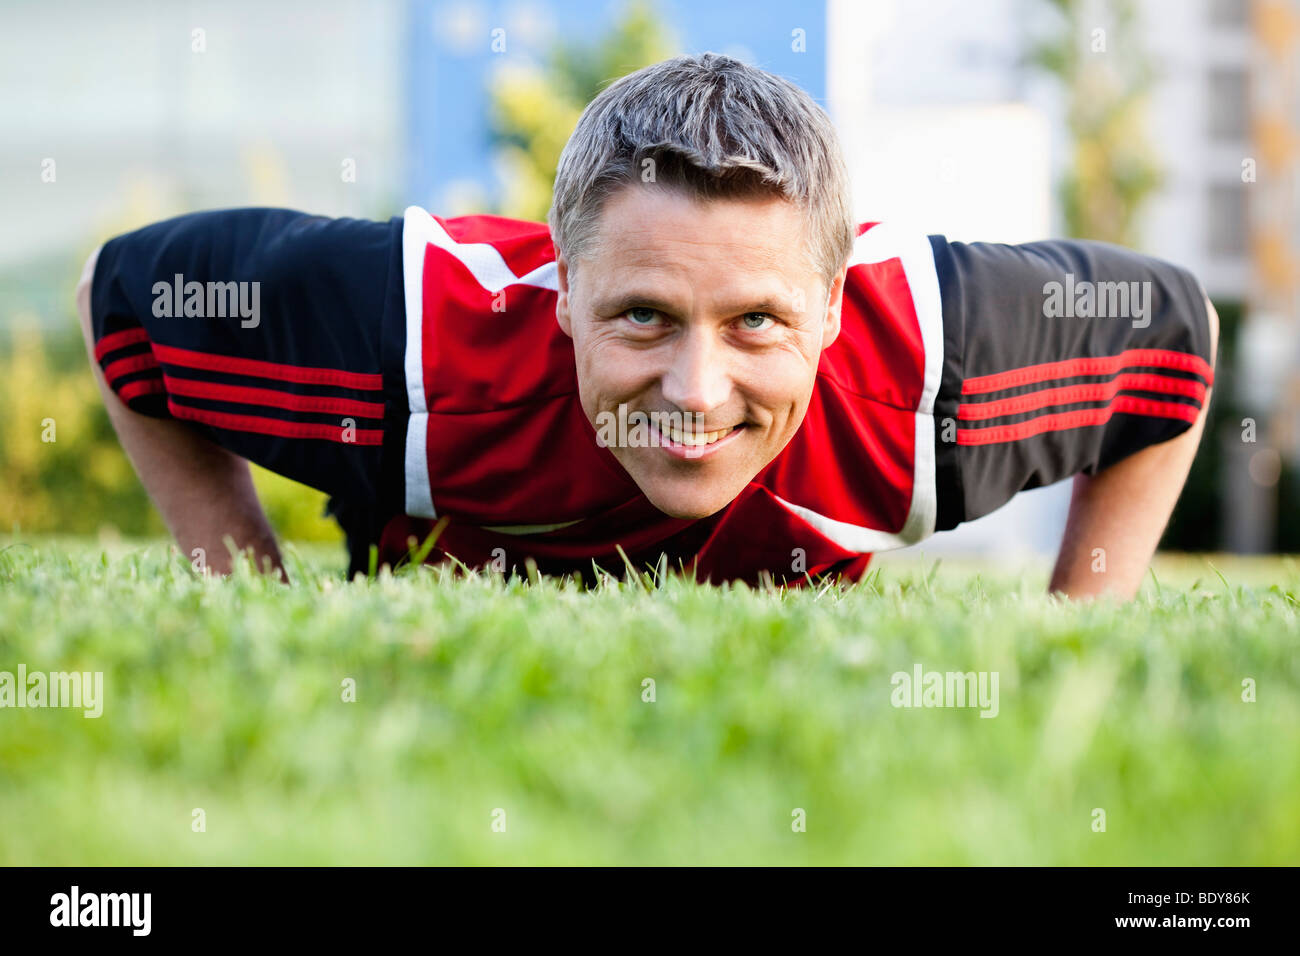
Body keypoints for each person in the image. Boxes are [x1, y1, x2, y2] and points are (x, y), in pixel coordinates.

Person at [76, 53, 1217, 598]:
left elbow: (1174, 340)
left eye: (758, 322)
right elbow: (122, 302)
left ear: (831, 309)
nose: (693, 388)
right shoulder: (419, 336)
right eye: (641, 315)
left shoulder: (926, 366)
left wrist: (1084, 632)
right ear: (561, 292)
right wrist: (243, 593)